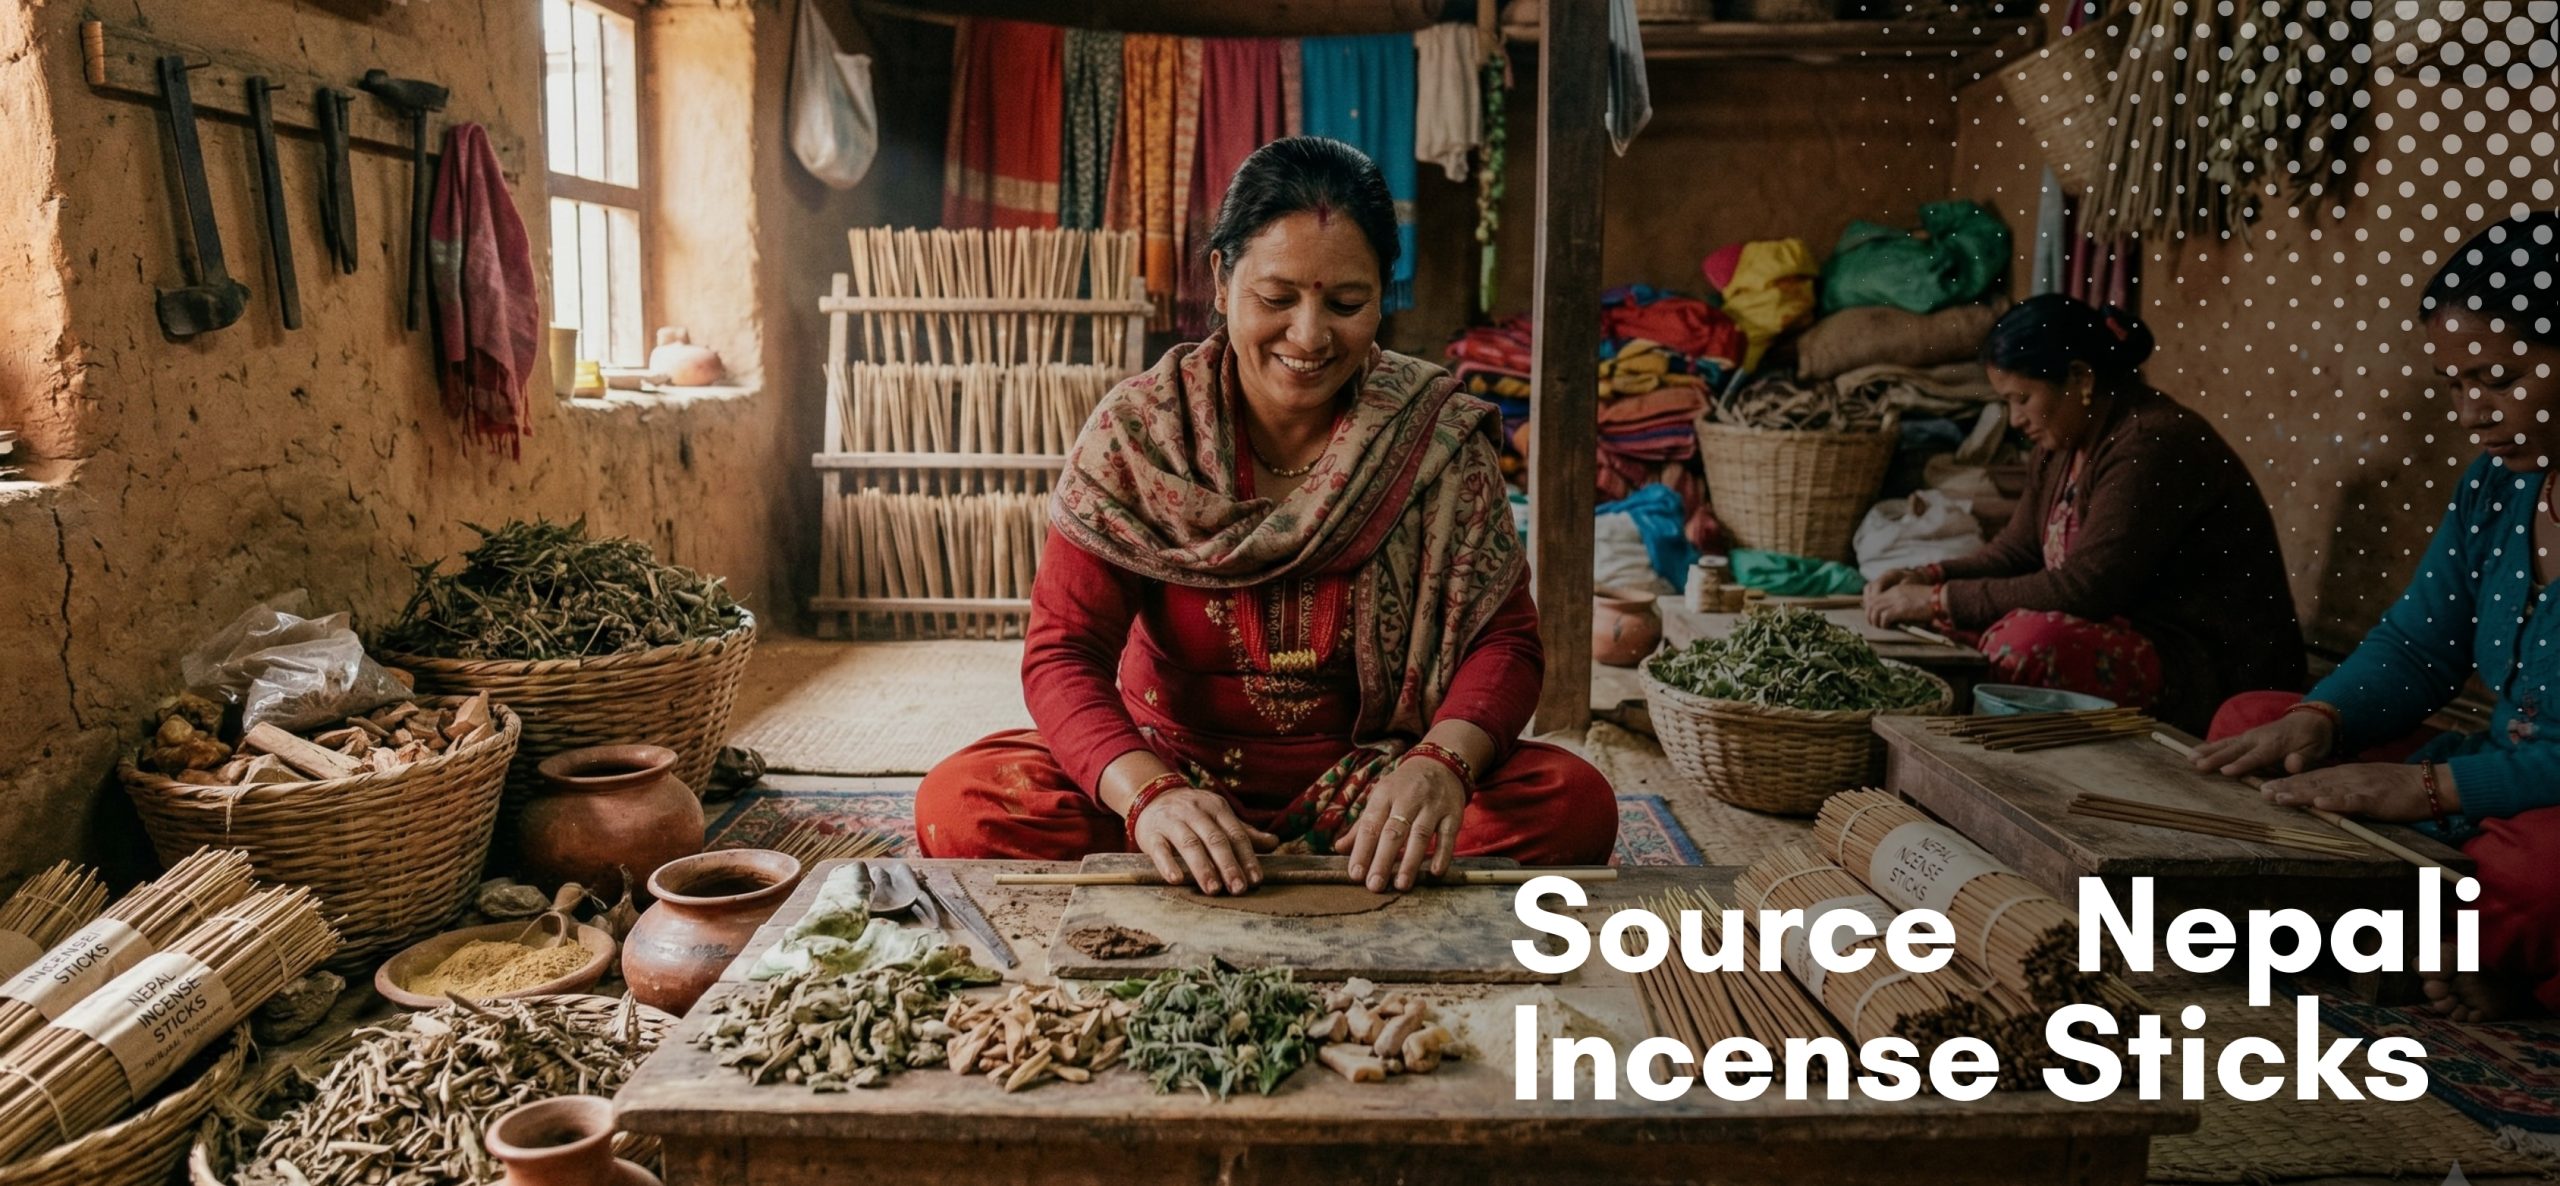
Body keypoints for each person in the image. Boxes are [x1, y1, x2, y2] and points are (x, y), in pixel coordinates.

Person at [916, 137, 1616, 895]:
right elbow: (1063, 652)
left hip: (1376, 789)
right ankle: (1222, 851)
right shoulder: (1141, 435)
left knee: (1573, 805)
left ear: (1384, 293)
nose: (1309, 336)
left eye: (1346, 303)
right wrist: (1150, 797)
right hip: (1173, 768)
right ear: (1221, 280)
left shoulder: (1434, 436)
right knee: (964, 804)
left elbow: (1504, 642)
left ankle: (1347, 850)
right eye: (1277, 299)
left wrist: (1439, 766)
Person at [2195, 212, 2560, 1021]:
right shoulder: (2498, 488)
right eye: (2457, 385)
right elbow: (2418, 646)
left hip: (2539, 811)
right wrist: (2324, 718)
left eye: (2499, 380)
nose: (2472, 412)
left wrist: (2426, 788)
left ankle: (2417, 936)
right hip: (2491, 776)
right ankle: (2446, 946)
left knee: (2538, 876)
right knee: (2255, 728)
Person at [1862, 294, 2305, 731]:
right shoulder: (2062, 441)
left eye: (2022, 398)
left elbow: (2087, 588)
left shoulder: (2153, 444)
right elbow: (2015, 552)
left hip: (2203, 665)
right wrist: (1926, 577)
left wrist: (1939, 601)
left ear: (2080, 378)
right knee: (1952, 625)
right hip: (2123, 629)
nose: (2015, 419)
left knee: (2023, 644)